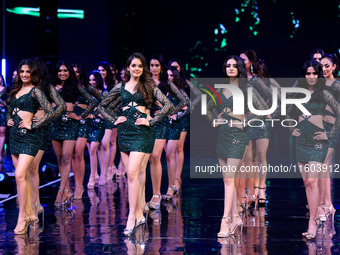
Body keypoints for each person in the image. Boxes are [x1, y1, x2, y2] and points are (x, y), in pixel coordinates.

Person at [98, 52, 173, 236]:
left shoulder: (148, 86)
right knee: (134, 175)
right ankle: (138, 213)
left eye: (140, 66)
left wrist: (151, 120)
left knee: (131, 172)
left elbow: (168, 106)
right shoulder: (121, 87)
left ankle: (132, 216)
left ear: (143, 68)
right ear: (128, 68)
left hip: (142, 132)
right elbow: (102, 106)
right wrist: (115, 119)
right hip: (125, 132)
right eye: (133, 66)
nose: (136, 69)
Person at [206, 55, 267, 237]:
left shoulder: (247, 89)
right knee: (227, 180)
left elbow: (263, 110)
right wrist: (214, 120)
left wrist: (245, 122)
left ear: (239, 68)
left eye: (234, 66)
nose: (230, 68)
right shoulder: (221, 89)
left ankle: (226, 220)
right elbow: (209, 108)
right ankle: (235, 217)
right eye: (227, 66)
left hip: (239, 137)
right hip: (223, 135)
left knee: (230, 179)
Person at [287, 60, 340, 240]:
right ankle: (315, 216)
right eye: (308, 73)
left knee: (312, 180)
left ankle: (312, 221)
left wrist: (329, 134)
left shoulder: (324, 93)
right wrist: (291, 128)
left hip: (319, 141)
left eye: (314, 73)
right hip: (302, 140)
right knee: (308, 183)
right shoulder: (298, 94)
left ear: (319, 75)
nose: (311, 77)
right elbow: (288, 113)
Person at [7, 59, 54, 234]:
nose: (24, 74)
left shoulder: (36, 91)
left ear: (33, 73)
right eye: (22, 71)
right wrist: (9, 120)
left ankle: (22, 217)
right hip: (15, 137)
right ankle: (29, 213)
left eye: (28, 72)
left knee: (19, 174)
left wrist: (34, 125)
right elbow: (9, 110)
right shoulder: (15, 91)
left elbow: (52, 111)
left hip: (30, 138)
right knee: (22, 176)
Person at [49, 61, 93, 208]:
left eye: (65, 71)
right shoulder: (51, 87)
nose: (62, 73)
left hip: (70, 124)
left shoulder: (75, 86)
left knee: (67, 158)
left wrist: (80, 116)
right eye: (60, 70)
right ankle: (67, 189)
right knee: (60, 158)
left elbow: (92, 102)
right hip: (55, 124)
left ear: (70, 73)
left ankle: (61, 191)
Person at [28, 57, 66, 218]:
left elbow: (62, 106)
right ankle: (32, 203)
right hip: (24, 130)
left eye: (31, 69)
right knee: (28, 169)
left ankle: (35, 204)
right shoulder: (26, 86)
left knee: (33, 167)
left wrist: (45, 118)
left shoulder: (47, 87)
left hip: (40, 131)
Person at [148, 54, 185, 209]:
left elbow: (184, 101)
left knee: (162, 155)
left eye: (157, 65)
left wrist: (167, 110)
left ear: (161, 67)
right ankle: (156, 192)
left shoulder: (166, 83)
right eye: (152, 65)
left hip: (163, 123)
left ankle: (168, 188)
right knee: (152, 158)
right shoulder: (145, 83)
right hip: (148, 122)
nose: (154, 68)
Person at [168, 58, 201, 193]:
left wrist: (189, 107)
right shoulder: (166, 85)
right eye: (172, 67)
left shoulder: (184, 83)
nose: (174, 69)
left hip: (182, 118)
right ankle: (172, 179)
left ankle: (177, 178)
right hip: (169, 117)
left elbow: (198, 95)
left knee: (179, 147)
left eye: (177, 67)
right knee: (170, 149)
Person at [71, 63, 96, 199]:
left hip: (83, 121)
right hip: (71, 121)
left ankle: (80, 186)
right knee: (74, 153)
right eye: (73, 71)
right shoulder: (69, 87)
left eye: (77, 71)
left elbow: (101, 101)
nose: (75, 74)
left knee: (79, 152)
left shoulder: (87, 87)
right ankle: (76, 183)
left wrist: (90, 113)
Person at [320, 54, 340, 219]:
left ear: (334, 66)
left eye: (327, 66)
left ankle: (326, 204)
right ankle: (326, 204)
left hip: (331, 128)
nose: (324, 69)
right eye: (322, 66)